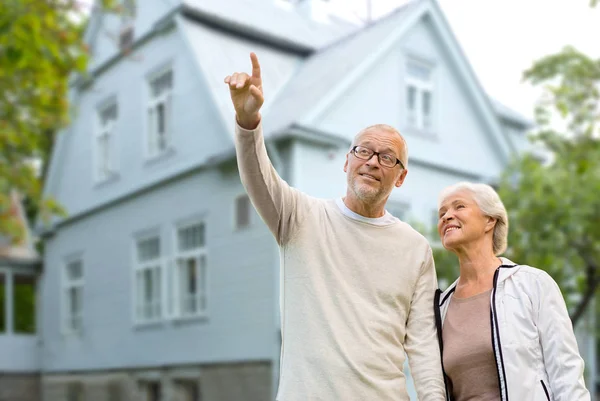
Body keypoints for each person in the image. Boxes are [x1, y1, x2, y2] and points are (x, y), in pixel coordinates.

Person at [224, 53, 446, 400]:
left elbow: (423, 344)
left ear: (400, 177)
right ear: (346, 162)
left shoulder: (415, 248)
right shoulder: (299, 217)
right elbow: (258, 177)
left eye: (387, 157)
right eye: (363, 151)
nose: (372, 162)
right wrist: (248, 120)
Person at [434, 181, 590, 401]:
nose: (446, 216)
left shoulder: (532, 284)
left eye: (459, 207)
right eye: (442, 212)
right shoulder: (441, 307)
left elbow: (566, 372)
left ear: (490, 220)